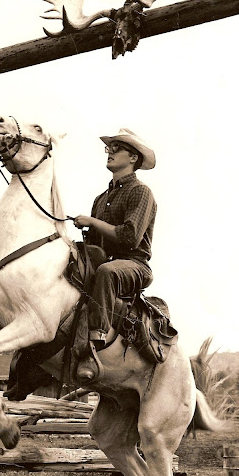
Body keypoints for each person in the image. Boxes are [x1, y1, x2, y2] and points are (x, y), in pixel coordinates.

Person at [73, 127, 157, 381]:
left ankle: (94, 340)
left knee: (106, 272)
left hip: (134, 265)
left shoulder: (141, 192)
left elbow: (130, 237)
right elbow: (94, 243)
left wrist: (92, 222)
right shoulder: (101, 198)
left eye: (117, 148)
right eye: (109, 147)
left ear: (133, 158)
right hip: (105, 263)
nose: (109, 152)